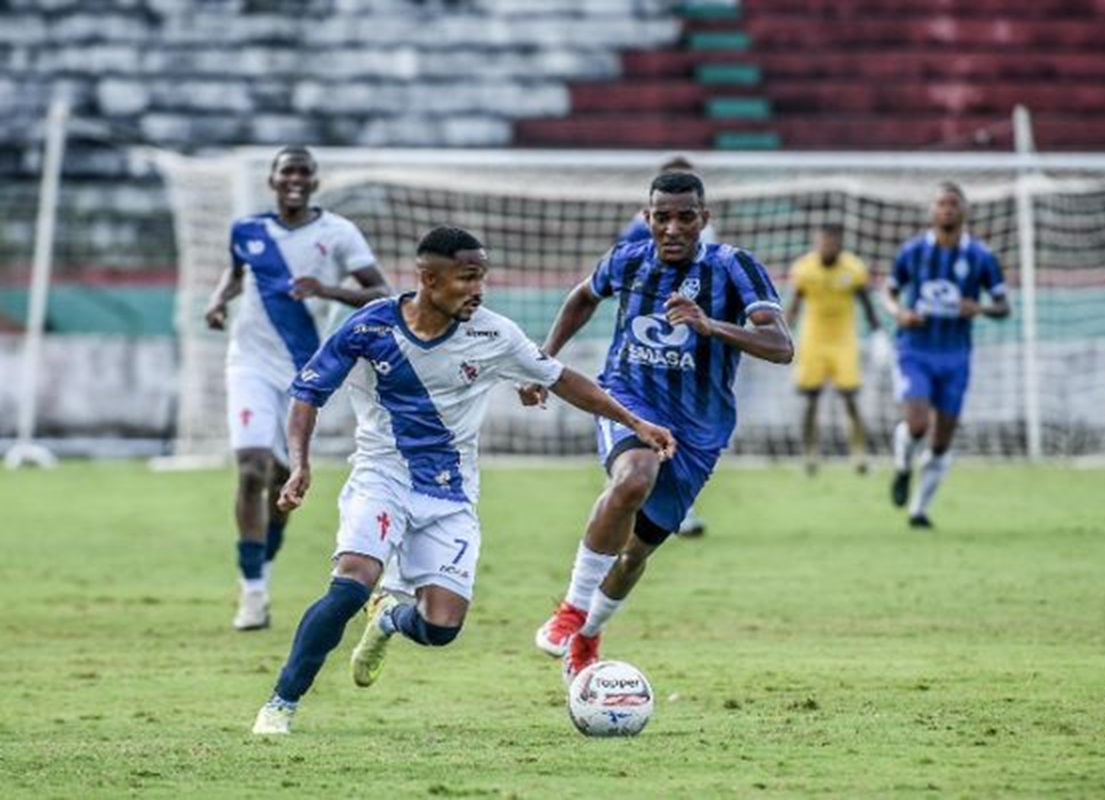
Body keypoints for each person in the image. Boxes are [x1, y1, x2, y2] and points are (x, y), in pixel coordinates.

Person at [251, 226, 675, 734]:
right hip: (381, 477)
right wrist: (300, 464)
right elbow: (308, 393)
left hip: (450, 494)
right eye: (467, 278)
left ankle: (389, 618)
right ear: (428, 279)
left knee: (440, 628)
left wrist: (635, 423)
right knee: (349, 586)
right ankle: (280, 704)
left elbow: (562, 379)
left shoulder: (495, 334)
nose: (478, 290)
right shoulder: (370, 326)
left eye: (482, 278)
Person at [521, 171, 793, 680]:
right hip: (629, 398)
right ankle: (572, 610)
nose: (672, 228)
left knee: (634, 554)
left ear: (704, 219)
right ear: (647, 218)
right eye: (661, 217)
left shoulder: (734, 267)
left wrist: (709, 325)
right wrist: (543, 360)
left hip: (700, 429)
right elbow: (583, 297)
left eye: (685, 217)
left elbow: (781, 346)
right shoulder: (626, 259)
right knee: (633, 478)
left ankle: (589, 634)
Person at [203, 145, 390, 631]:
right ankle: (253, 593)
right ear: (272, 180)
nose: (295, 180)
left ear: (314, 181)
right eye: (287, 172)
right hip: (249, 363)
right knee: (251, 468)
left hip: (304, 370)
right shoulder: (247, 230)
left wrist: (327, 290)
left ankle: (262, 563)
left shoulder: (338, 233)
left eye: (304, 172)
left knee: (281, 479)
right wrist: (219, 300)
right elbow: (237, 273)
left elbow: (381, 292)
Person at [883, 182, 1010, 528]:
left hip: (956, 355)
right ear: (932, 210)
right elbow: (889, 292)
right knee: (918, 424)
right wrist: (899, 313)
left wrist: (980, 308)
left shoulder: (981, 256)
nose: (947, 209)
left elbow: (1003, 306)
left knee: (941, 443)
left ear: (964, 210)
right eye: (941, 203)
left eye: (953, 203)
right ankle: (903, 466)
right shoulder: (913, 251)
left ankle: (919, 510)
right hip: (915, 349)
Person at [615, 155, 713, 536]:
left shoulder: (707, 231)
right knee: (654, 435)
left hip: (694, 352)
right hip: (650, 348)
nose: (674, 227)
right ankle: (661, 509)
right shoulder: (637, 232)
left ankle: (655, 505)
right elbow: (616, 277)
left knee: (684, 437)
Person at [785, 223, 885, 475]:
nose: (826, 247)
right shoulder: (804, 268)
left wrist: (878, 333)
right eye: (822, 242)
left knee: (850, 398)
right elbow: (795, 305)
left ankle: (860, 455)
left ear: (839, 244)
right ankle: (809, 455)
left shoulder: (853, 268)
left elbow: (867, 303)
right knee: (810, 399)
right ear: (816, 243)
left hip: (844, 341)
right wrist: (784, 333)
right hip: (813, 340)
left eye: (830, 242)